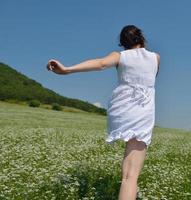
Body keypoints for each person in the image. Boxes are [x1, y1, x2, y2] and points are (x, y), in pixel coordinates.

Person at [46, 25, 160, 200]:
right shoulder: (156, 58)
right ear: (142, 39)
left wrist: (67, 69)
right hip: (142, 109)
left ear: (123, 43)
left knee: (128, 176)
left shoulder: (119, 55)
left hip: (121, 108)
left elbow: (100, 64)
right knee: (130, 176)